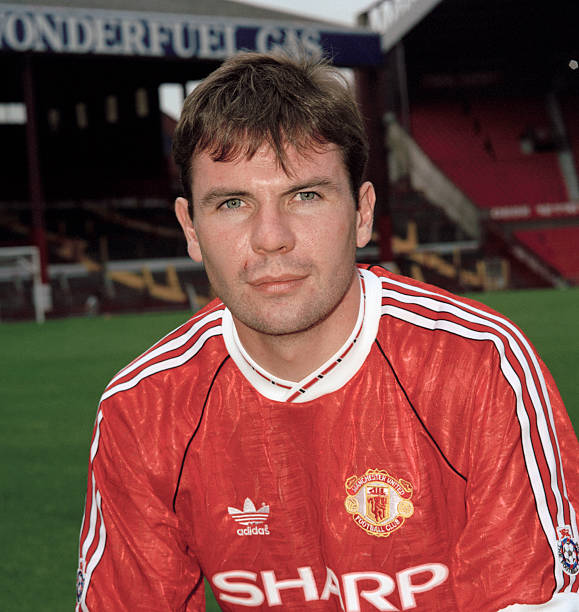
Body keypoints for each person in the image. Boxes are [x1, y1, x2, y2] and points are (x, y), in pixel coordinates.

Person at [76, 52, 579, 611]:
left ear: (362, 213)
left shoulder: (480, 367)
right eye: (234, 203)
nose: (271, 238)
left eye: (306, 195)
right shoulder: (144, 411)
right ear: (190, 228)